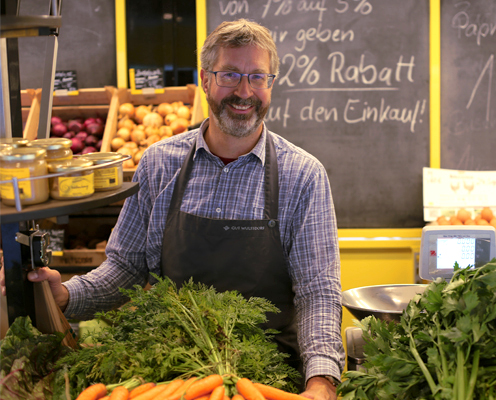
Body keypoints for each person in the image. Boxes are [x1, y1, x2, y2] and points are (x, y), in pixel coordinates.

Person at [0, 18, 344, 400]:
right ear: (205, 79)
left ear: (271, 84)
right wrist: (66, 295)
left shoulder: (303, 176)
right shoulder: (160, 163)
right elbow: (126, 268)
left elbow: (317, 292)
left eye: (257, 77)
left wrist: (321, 380)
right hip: (173, 375)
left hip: (266, 378)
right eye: (230, 75)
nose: (245, 92)